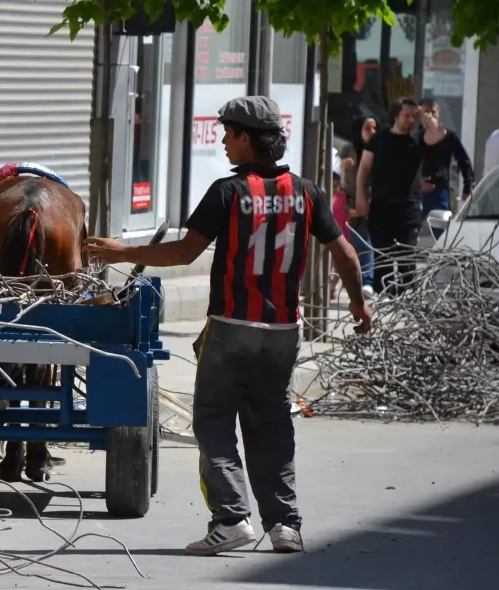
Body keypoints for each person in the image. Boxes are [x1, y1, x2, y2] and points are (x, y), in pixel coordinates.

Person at [85, 96, 372, 557]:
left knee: (214, 421)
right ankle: (284, 526)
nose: (221, 141)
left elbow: (183, 253)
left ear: (247, 138)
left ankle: (231, 518)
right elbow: (345, 253)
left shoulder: (228, 191)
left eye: (228, 133)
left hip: (231, 326)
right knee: (273, 424)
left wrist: (121, 251)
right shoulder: (308, 191)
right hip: (282, 331)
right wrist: (359, 306)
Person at [355, 99, 447, 294]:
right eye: (407, 115)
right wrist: (361, 197)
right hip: (381, 204)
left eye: (414, 116)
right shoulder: (378, 140)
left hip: (409, 207)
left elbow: (439, 133)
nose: (411, 120)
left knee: (407, 254)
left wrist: (425, 114)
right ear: (396, 115)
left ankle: (407, 295)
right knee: (383, 255)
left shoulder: (419, 139)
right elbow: (364, 169)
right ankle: (383, 295)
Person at [338, 117, 377, 294]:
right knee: (351, 244)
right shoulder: (348, 149)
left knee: (366, 242)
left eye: (374, 128)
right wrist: (342, 165)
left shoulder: (378, 149)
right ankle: (355, 280)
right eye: (368, 128)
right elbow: (336, 175)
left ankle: (367, 280)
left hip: (370, 204)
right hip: (349, 204)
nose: (372, 132)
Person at [418, 99, 474, 224]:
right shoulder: (416, 136)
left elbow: (463, 160)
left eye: (434, 112)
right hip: (417, 191)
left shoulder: (448, 136)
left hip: (439, 189)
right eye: (426, 112)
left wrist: (468, 185)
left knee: (441, 230)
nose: (430, 116)